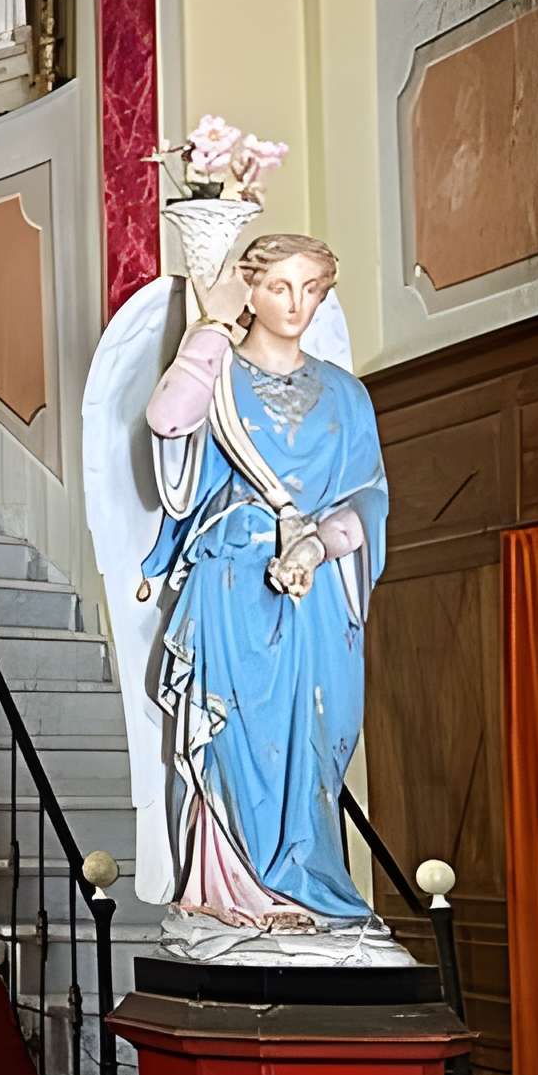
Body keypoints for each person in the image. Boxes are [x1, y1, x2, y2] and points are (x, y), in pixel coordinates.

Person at [139, 233, 388, 938]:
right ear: (249, 290)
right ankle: (238, 889)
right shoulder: (220, 376)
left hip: (317, 592)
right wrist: (211, 326)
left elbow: (370, 495)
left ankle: (308, 882)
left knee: (318, 730)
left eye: (313, 288)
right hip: (233, 583)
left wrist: (316, 541)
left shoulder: (346, 394)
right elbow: (167, 421)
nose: (297, 304)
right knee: (240, 731)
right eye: (280, 286)